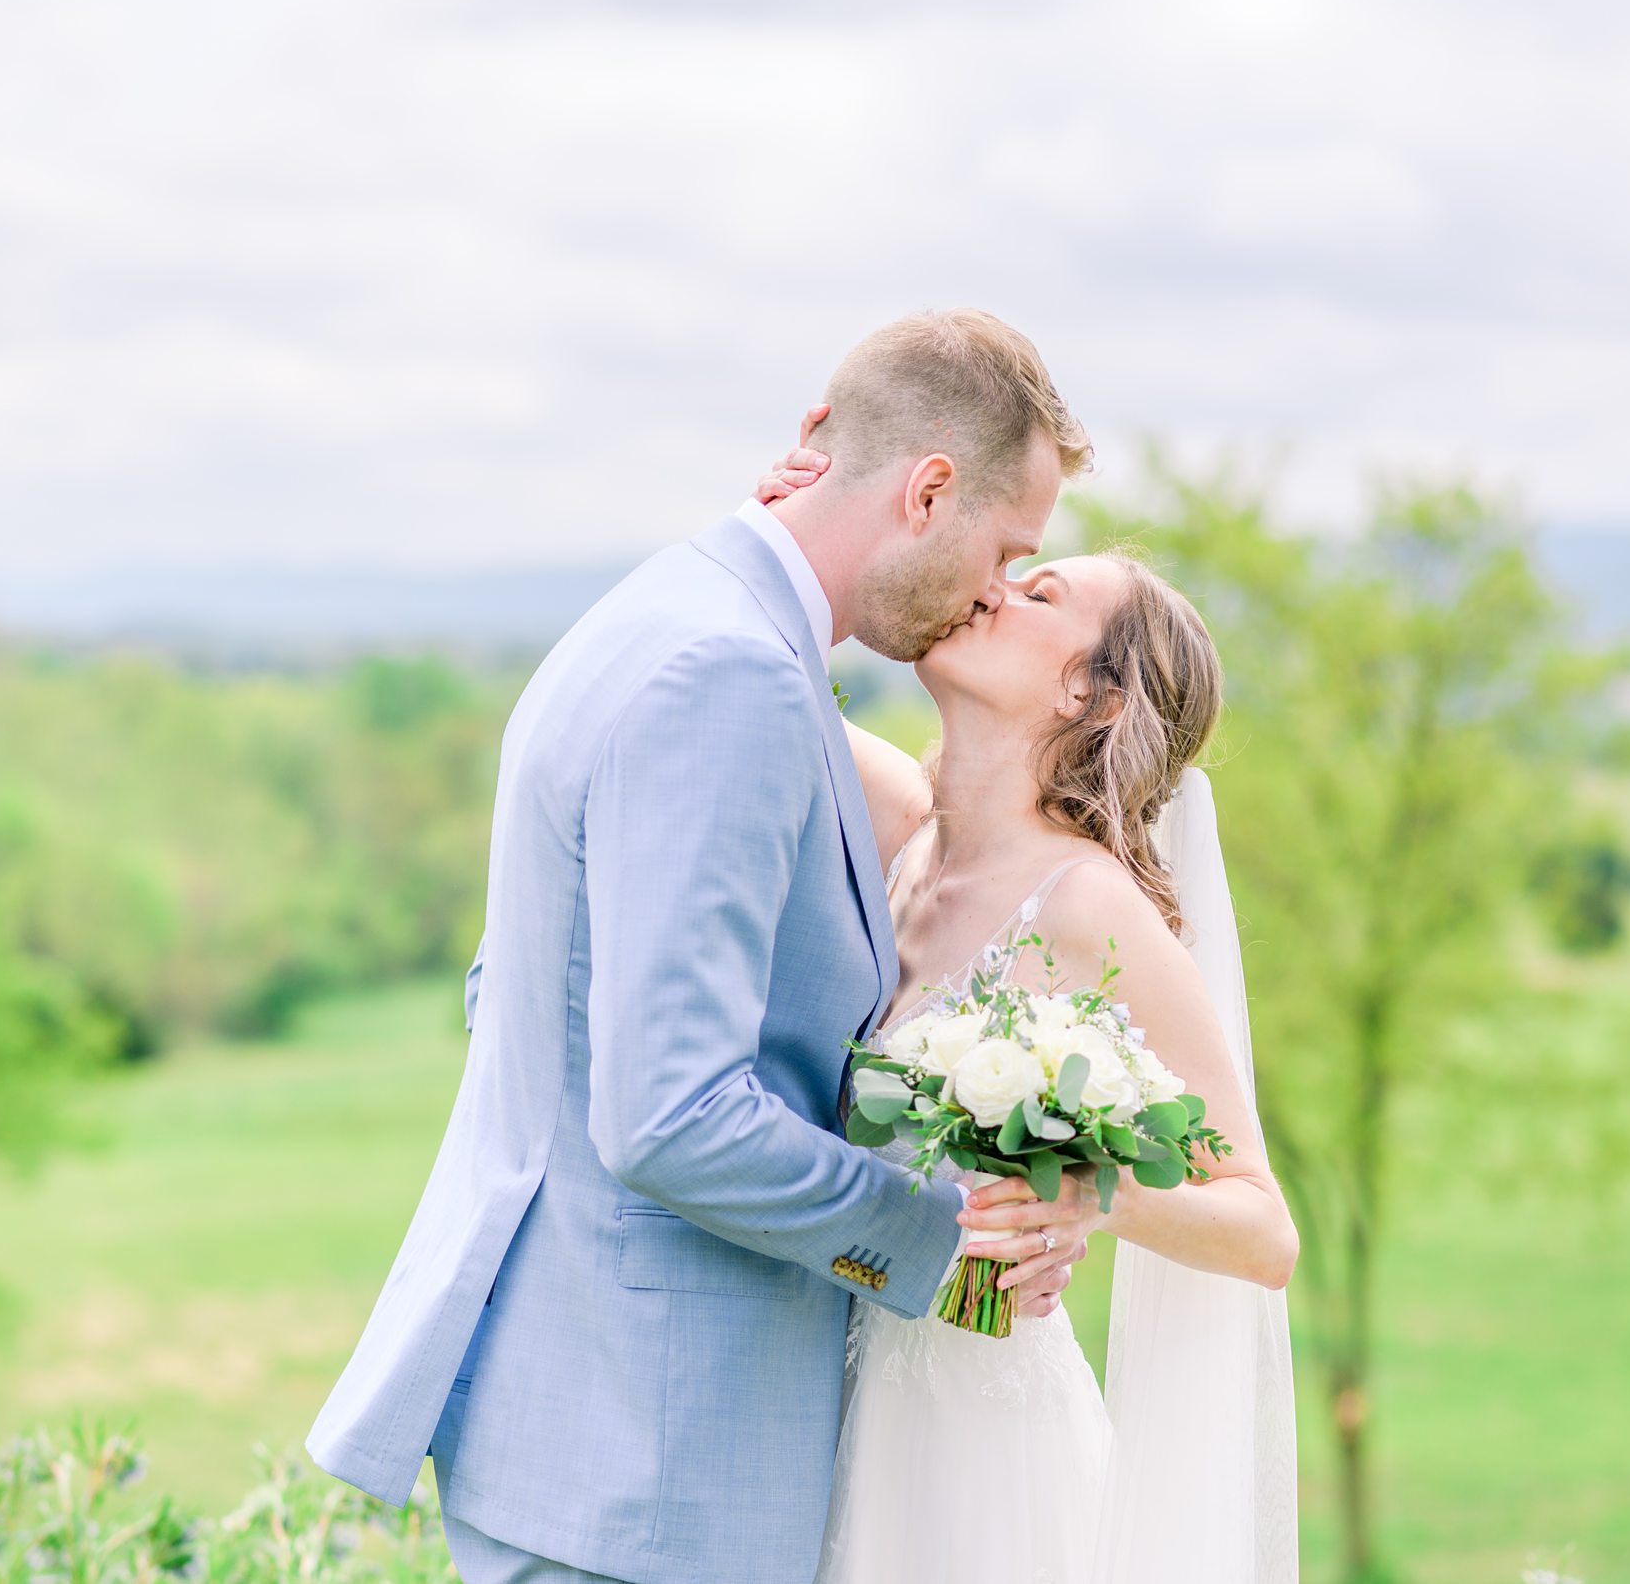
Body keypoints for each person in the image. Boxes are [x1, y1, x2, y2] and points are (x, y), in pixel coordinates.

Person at [306, 309, 1105, 1584]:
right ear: (929, 489)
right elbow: (670, 1114)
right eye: (1007, 549)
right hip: (649, 1465)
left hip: (603, 1440)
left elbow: (529, 985)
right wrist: (939, 1236)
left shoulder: (678, 614)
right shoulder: (726, 676)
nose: (996, 590)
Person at [753, 434, 1302, 1583]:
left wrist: (1087, 1190)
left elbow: (1262, 1226)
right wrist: (792, 504)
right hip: (829, 1403)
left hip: (979, 1450)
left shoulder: (1088, 906)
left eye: (1038, 590)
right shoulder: (906, 835)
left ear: (1085, 691)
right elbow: (752, 671)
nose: (992, 585)